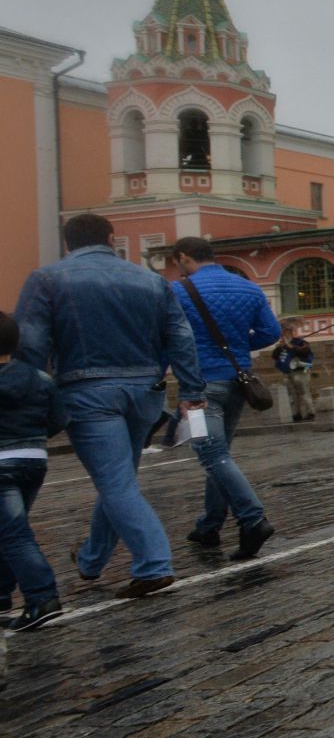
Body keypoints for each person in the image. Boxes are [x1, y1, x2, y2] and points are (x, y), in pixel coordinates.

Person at [15, 213, 205, 599]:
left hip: (87, 391)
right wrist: (191, 389)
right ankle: (91, 559)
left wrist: (29, 392)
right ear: (111, 238)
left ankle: (154, 563)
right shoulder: (152, 280)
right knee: (119, 479)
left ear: (68, 243)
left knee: (115, 482)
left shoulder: (48, 279)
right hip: (146, 392)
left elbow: (31, 343)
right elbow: (180, 336)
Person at [170, 239, 281, 562]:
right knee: (220, 454)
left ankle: (253, 520)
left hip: (199, 387)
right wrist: (240, 346)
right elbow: (270, 331)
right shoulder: (247, 287)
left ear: (184, 257)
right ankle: (209, 525)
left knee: (212, 455)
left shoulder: (177, 292)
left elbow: (170, 336)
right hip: (237, 382)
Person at [0, 310, 67, 631]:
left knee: (13, 534)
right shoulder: (40, 378)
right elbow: (58, 419)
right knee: (9, 529)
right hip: (33, 460)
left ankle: (42, 596)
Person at [273, 333, 316, 421]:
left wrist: (292, 347)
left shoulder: (301, 342)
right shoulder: (282, 346)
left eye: (285, 333)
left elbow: (305, 352)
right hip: (289, 372)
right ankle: (297, 413)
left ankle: (310, 412)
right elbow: (275, 356)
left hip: (301, 371)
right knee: (293, 394)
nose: (283, 337)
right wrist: (279, 347)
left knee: (304, 392)